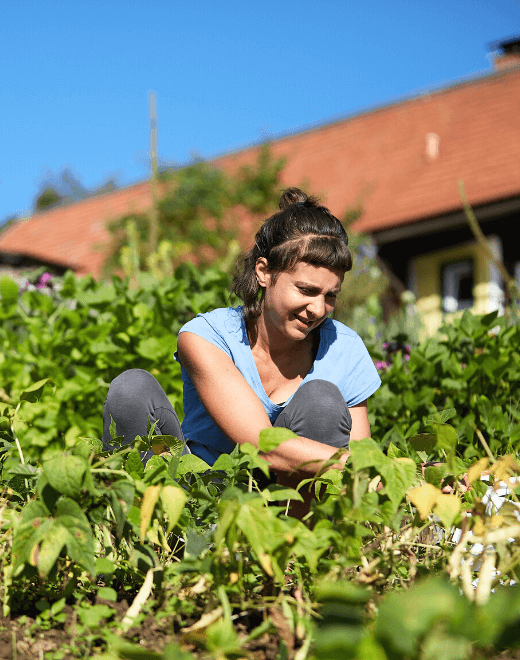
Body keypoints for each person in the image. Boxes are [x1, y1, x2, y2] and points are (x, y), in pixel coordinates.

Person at [103, 188, 381, 515]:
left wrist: (408, 476)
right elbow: (262, 446)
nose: (318, 309)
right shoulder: (207, 336)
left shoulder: (344, 349)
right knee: (131, 390)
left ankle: (293, 555)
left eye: (330, 295)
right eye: (306, 290)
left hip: (284, 512)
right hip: (198, 496)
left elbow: (362, 460)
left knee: (321, 401)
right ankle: (144, 538)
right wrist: (375, 471)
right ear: (264, 272)